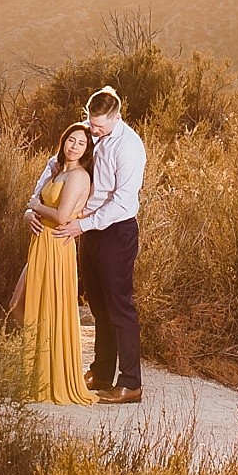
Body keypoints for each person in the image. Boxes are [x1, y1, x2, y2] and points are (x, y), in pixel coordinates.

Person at [25, 85, 145, 403]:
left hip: (115, 232)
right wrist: (32, 204)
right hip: (86, 231)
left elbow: (123, 201)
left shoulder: (128, 147)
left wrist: (84, 224)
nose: (93, 130)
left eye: (100, 126)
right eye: (91, 123)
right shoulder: (90, 134)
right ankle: (102, 373)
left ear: (116, 118)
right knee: (97, 306)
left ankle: (130, 382)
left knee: (120, 307)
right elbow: (56, 164)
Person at [14, 122, 97, 405]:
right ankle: (36, 373)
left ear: (87, 150)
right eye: (71, 140)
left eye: (81, 143)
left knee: (48, 307)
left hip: (56, 244)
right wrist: (30, 211)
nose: (74, 146)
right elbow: (37, 200)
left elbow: (62, 216)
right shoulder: (57, 169)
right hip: (41, 243)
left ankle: (52, 377)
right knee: (24, 304)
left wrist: (35, 206)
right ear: (63, 142)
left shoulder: (78, 176)